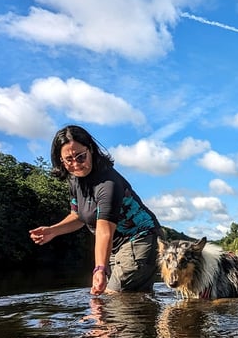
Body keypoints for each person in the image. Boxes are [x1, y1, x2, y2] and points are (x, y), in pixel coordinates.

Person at [29, 125, 162, 295]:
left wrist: (99, 268)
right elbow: (78, 216)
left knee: (111, 297)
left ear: (90, 149)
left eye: (80, 157)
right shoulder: (75, 180)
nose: (76, 164)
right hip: (116, 247)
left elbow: (104, 231)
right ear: (60, 160)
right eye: (68, 159)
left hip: (141, 239)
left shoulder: (108, 184)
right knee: (131, 297)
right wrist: (53, 230)